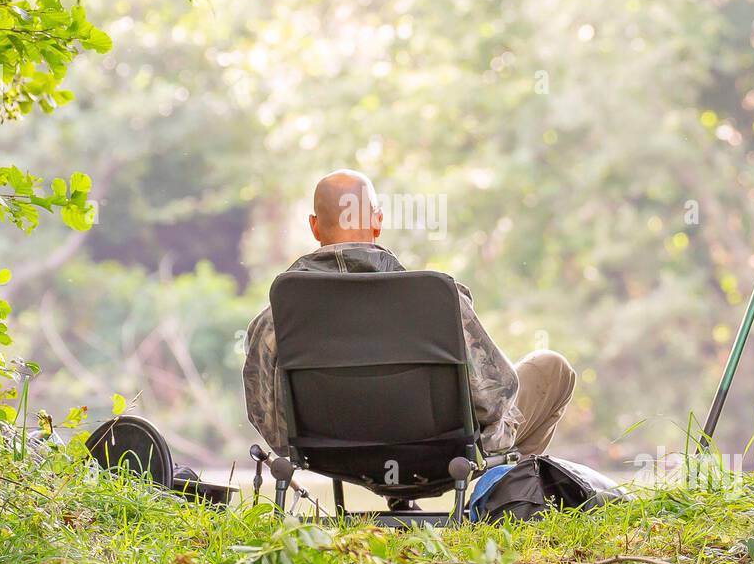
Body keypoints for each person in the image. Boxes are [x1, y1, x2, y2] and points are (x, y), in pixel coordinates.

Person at [242, 169, 575, 467]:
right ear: (377, 221)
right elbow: (496, 396)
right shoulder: (437, 299)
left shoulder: (275, 319)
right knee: (553, 368)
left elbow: (268, 421)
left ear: (314, 226)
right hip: (445, 457)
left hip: (335, 459)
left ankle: (401, 495)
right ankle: (500, 495)